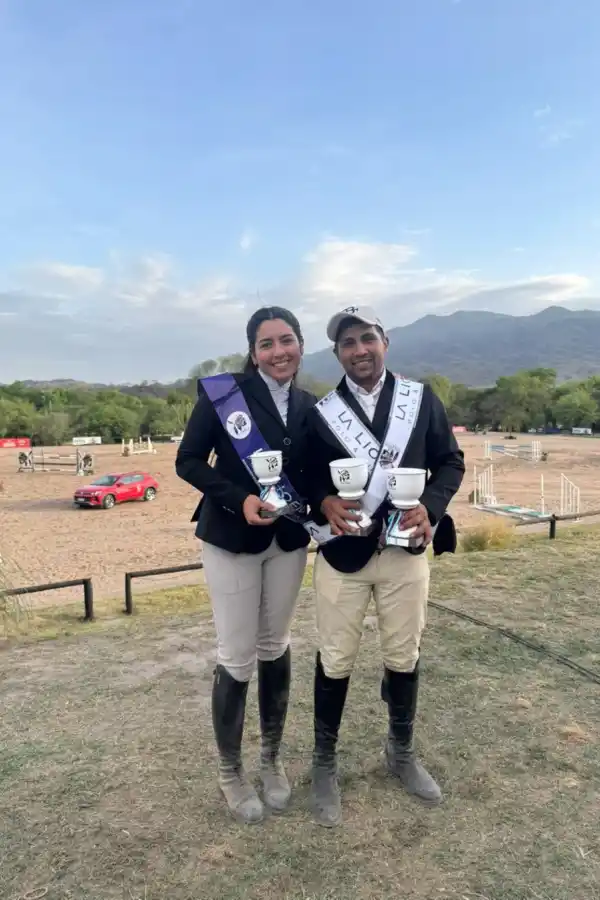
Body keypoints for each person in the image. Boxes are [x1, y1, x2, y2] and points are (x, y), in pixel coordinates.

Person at [302, 305, 465, 827]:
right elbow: (304, 474)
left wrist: (431, 507)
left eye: (367, 339)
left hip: (404, 551)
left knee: (403, 654)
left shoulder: (420, 399)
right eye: (348, 343)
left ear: (385, 342)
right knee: (335, 659)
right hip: (342, 552)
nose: (359, 350)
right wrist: (323, 500)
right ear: (337, 353)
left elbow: (450, 461)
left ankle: (401, 751)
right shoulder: (322, 411)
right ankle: (324, 762)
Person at [175, 306, 317, 825]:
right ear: (253, 352)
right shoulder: (225, 395)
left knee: (275, 646)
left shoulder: (310, 405)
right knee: (236, 657)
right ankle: (230, 772)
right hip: (232, 538)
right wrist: (239, 499)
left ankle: (270, 759)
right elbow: (188, 461)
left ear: (300, 345)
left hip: (288, 540)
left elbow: (315, 474)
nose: (279, 352)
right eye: (267, 343)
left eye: (287, 340)